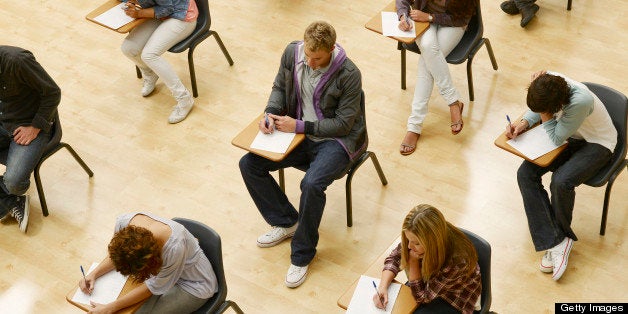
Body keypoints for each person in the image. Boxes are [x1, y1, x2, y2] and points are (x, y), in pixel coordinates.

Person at [238, 21, 365, 288]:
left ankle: (302, 255)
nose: (309, 61)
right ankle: (286, 221)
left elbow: (343, 124)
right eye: (307, 55)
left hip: (337, 140)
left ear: (331, 49)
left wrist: (300, 126)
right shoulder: (292, 53)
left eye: (317, 58)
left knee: (311, 183)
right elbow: (279, 88)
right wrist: (270, 113)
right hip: (299, 133)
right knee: (249, 164)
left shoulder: (349, 73)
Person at [506, 70, 617, 281]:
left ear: (555, 106)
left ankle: (559, 238)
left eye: (546, 111)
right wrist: (523, 124)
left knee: (561, 181)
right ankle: (557, 241)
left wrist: (545, 117)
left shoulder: (580, 101)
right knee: (525, 174)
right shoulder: (547, 82)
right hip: (572, 135)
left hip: (598, 143)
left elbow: (556, 138)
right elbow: (538, 111)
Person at [79, 212, 218, 313]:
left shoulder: (174, 247)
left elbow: (152, 287)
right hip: (164, 277)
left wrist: (111, 307)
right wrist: (94, 274)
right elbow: (119, 256)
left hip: (194, 285)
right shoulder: (124, 222)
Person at [396, 0, 475, 156]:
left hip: (453, 23)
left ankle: (414, 126)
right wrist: (403, 16)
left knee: (426, 63)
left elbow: (461, 18)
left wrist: (431, 17)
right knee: (427, 50)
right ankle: (453, 102)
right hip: (421, 18)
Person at [374, 204, 481, 313]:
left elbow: (422, 297)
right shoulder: (416, 238)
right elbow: (394, 259)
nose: (409, 246)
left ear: (432, 242)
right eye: (408, 240)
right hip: (428, 284)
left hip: (454, 297)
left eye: (416, 243)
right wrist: (383, 287)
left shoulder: (456, 262)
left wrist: (413, 262)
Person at [0, 45, 60, 233]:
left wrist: (35, 127)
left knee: (15, 182)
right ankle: (7, 198)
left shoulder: (17, 60)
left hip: (30, 125)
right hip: (3, 121)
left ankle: (13, 195)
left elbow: (52, 93)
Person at [120, 0, 198, 124]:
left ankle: (184, 99)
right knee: (128, 49)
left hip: (180, 15)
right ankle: (150, 73)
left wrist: (138, 14)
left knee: (149, 55)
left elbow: (168, 8)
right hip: (157, 12)